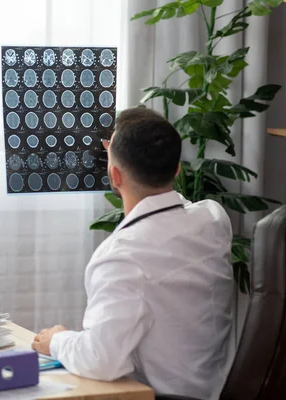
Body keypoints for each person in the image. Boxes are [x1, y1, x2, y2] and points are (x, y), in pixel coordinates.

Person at [31, 107, 235, 399]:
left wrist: (56, 340)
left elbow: (100, 360)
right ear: (177, 169)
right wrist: (125, 149)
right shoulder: (213, 219)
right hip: (215, 390)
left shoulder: (121, 257)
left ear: (114, 176)